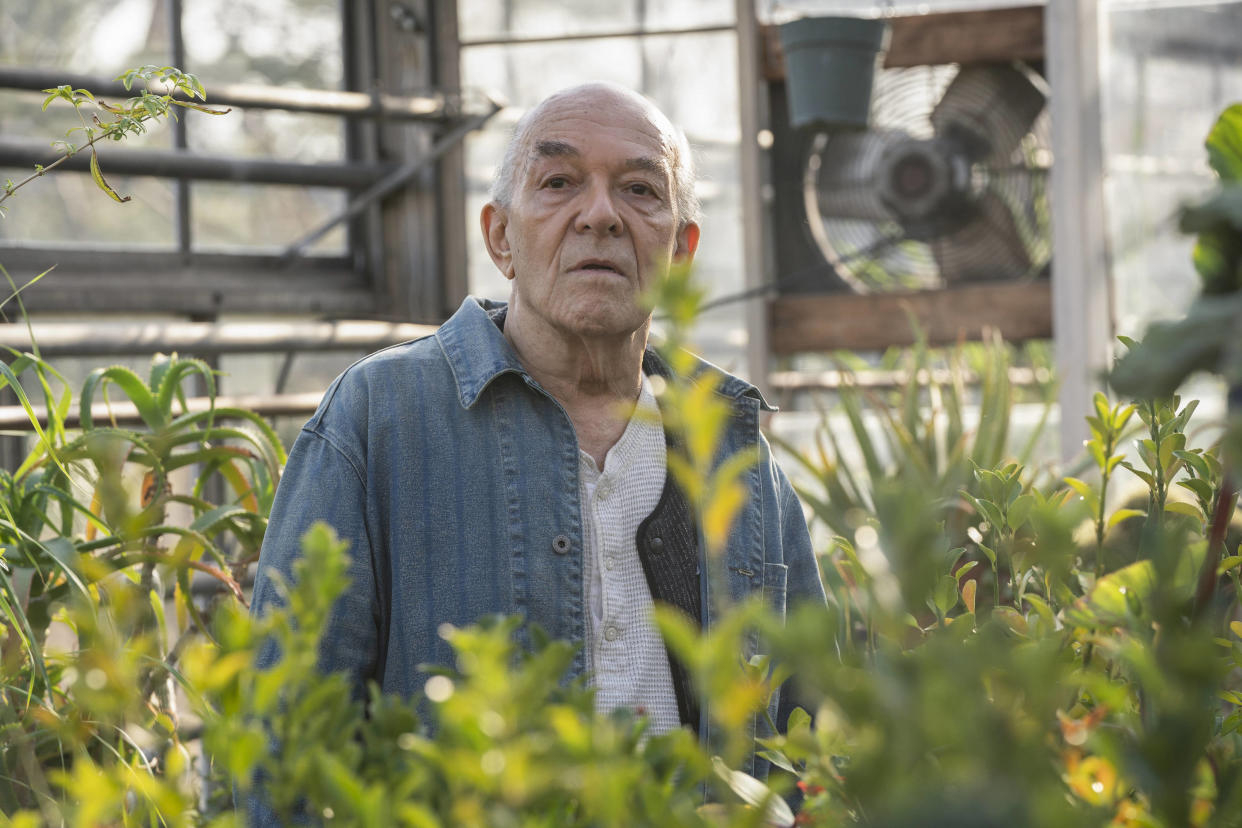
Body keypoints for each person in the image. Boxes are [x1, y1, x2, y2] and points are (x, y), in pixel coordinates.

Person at [248, 81, 825, 802]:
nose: (601, 216)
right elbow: (288, 735)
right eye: (558, 182)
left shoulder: (733, 455)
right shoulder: (380, 417)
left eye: (641, 190)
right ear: (500, 237)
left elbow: (814, 737)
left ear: (680, 251)